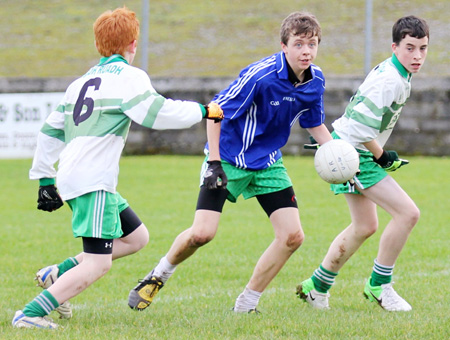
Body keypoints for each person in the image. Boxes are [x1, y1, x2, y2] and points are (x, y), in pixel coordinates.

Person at [12, 6, 223, 329]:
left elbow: (49, 131)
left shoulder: (80, 82)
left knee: (137, 237)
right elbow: (156, 114)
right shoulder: (128, 77)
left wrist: (44, 177)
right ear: (133, 44)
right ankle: (30, 313)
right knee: (97, 264)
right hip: (91, 179)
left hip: (78, 175)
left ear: (99, 44)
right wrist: (203, 110)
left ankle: (57, 273)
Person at [127, 11, 333, 314]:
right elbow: (215, 110)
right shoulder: (259, 76)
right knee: (202, 234)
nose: (306, 51)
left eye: (312, 44)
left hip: (268, 163)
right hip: (229, 159)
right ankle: (158, 275)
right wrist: (214, 163)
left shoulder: (315, 81)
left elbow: (314, 124)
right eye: (299, 44)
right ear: (283, 46)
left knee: (292, 236)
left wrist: (338, 157)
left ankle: (247, 303)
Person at [296, 15, 429, 312]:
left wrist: (378, 153)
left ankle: (316, 287)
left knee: (364, 225)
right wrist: (382, 156)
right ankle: (379, 286)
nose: (417, 55)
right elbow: (363, 128)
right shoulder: (391, 80)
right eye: (410, 48)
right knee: (407, 214)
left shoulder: (397, 72)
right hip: (352, 154)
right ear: (394, 47)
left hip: (350, 147)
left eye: (422, 48)